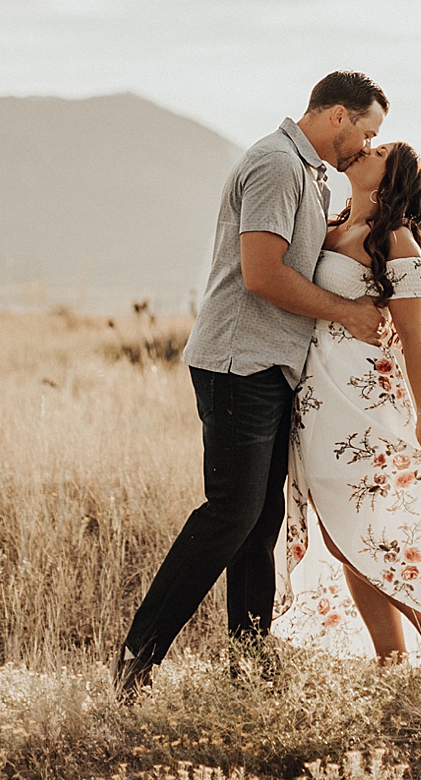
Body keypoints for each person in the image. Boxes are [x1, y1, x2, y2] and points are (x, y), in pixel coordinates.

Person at [113, 70, 391, 699]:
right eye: (367, 131)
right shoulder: (275, 164)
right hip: (240, 362)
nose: (367, 146)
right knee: (230, 513)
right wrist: (346, 313)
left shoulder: (311, 175)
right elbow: (261, 275)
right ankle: (138, 655)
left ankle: (249, 669)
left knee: (260, 520)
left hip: (270, 365)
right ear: (338, 116)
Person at [272, 140, 421, 672]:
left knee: (371, 534)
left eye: (380, 150)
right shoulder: (330, 227)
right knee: (341, 537)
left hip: (369, 410)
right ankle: (391, 662)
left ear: (392, 176)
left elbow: (416, 334)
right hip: (319, 405)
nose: (366, 149)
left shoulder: (397, 241)